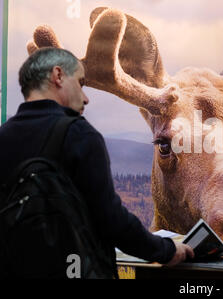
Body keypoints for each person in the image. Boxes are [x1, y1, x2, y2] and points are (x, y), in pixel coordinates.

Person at [0, 47, 193, 277]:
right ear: (58, 76)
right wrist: (167, 250)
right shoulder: (79, 135)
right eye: (80, 83)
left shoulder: (3, 137)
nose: (86, 98)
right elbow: (112, 220)